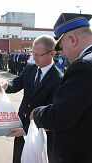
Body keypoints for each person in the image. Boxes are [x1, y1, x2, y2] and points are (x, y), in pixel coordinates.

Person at [30, 13, 92, 163]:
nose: (62, 53)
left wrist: (36, 113)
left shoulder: (83, 66)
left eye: (62, 47)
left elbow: (60, 116)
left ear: (72, 40)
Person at [0, 35, 63, 163]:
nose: (34, 57)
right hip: (21, 125)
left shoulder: (59, 79)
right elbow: (17, 83)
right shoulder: (30, 68)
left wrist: (25, 130)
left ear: (52, 53)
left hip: (40, 134)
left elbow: (51, 113)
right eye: (33, 53)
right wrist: (6, 86)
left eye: (39, 54)